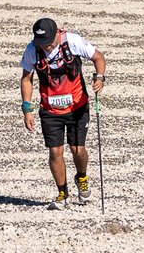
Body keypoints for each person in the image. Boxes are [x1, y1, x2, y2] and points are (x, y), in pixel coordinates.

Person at [20, 18, 106, 210]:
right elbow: (26, 79)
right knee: (55, 152)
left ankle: (81, 177)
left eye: (48, 42)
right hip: (50, 110)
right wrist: (27, 108)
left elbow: (98, 57)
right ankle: (62, 194)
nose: (46, 47)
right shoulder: (32, 50)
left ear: (56, 34)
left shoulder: (72, 41)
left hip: (77, 107)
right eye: (42, 43)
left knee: (78, 150)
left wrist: (100, 77)